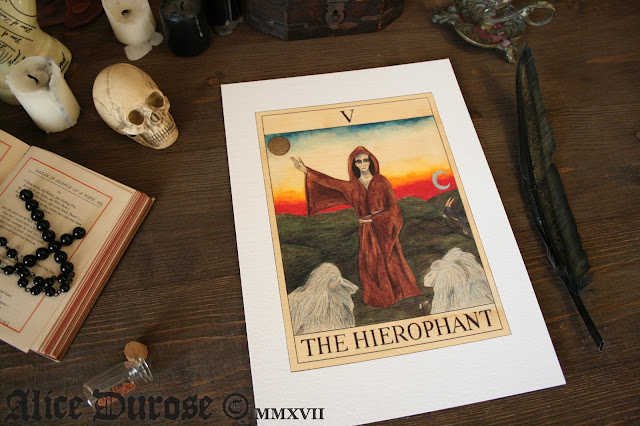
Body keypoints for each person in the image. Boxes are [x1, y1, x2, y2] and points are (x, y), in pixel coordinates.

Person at [291, 146, 421, 307]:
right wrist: (306, 171)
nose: (363, 164)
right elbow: (331, 183)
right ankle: (380, 298)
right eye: (359, 161)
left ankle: (402, 294)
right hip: (367, 232)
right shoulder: (352, 186)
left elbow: (394, 208)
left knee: (393, 260)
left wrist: (378, 219)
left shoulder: (382, 182)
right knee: (371, 264)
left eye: (366, 160)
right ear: (354, 165)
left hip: (385, 231)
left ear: (371, 161)